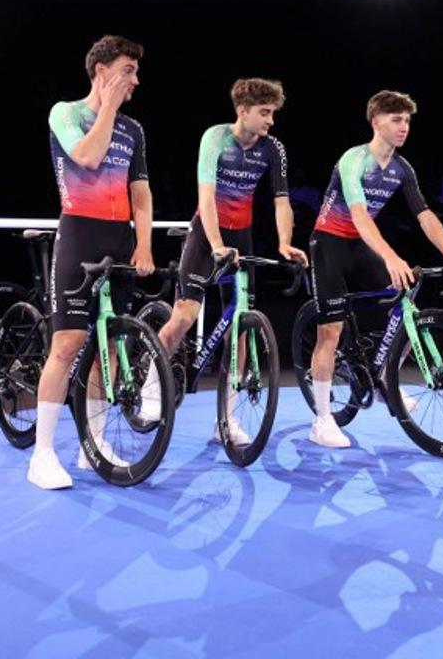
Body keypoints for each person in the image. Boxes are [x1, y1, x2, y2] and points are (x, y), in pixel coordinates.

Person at [308, 90, 443, 448]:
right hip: (330, 243)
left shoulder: (402, 168)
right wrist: (389, 256)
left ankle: (385, 377)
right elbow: (357, 216)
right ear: (376, 122)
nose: (404, 127)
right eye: (397, 120)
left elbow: (425, 215)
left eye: (408, 121)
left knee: (407, 294)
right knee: (331, 332)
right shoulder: (355, 160)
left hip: (363, 244)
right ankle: (322, 420)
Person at [146, 78, 307, 440]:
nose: (271, 121)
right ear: (243, 111)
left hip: (243, 236)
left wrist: (285, 242)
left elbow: (281, 200)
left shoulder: (272, 148)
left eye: (273, 113)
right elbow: (206, 196)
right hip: (207, 234)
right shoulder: (215, 138)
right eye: (264, 113)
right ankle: (150, 384)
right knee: (184, 317)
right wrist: (217, 244)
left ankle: (227, 421)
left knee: (241, 327)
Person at [28, 35, 155, 490]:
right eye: (127, 71)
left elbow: (140, 194)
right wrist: (107, 107)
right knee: (67, 344)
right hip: (79, 234)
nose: (135, 81)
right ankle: (42, 455)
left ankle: (93, 444)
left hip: (120, 241)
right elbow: (86, 156)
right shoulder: (65, 112)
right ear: (101, 72)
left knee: (110, 348)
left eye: (137, 73)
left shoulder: (134, 130)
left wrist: (144, 245)